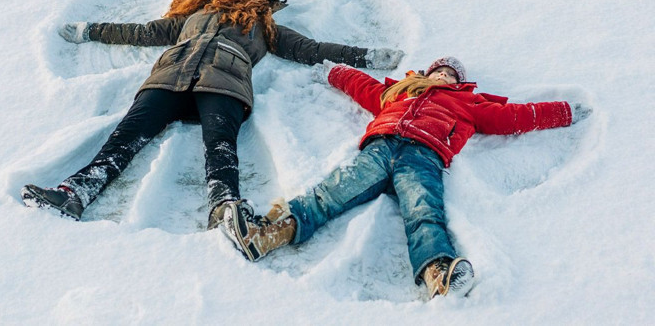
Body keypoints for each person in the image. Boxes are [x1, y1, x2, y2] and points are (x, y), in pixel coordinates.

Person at [21, 0, 405, 228]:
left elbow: (313, 48)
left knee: (220, 144)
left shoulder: (265, 25)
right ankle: (75, 192)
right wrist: (90, 30)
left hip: (226, 81)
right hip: (170, 75)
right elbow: (141, 32)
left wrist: (366, 56)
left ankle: (224, 206)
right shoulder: (194, 14)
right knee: (127, 134)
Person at [219, 56, 591, 299]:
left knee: (423, 211)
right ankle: (266, 234)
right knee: (330, 192)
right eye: (440, 71)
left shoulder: (471, 104)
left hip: (424, 156)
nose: (444, 76)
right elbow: (362, 86)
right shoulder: (399, 92)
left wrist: (563, 111)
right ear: (428, 73)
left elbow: (516, 117)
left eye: (451, 74)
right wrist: (332, 71)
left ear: (460, 83)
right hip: (379, 149)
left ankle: (437, 274)